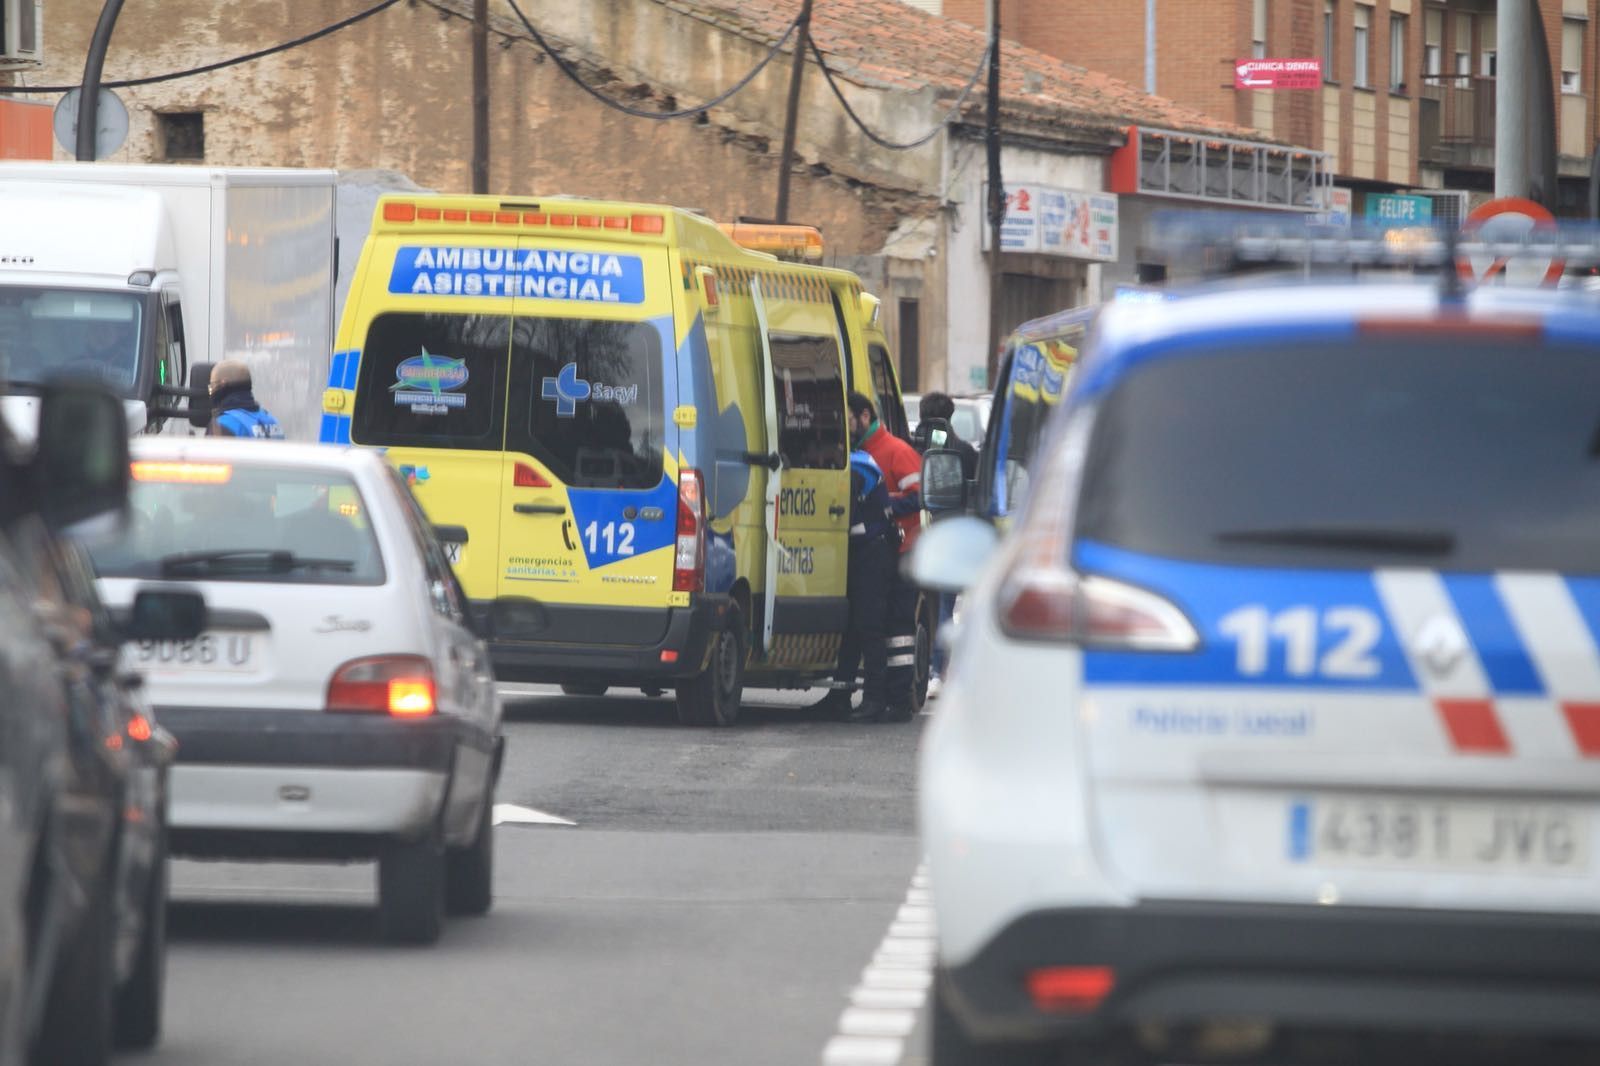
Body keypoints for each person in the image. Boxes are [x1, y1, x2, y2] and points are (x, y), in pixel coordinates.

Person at [849, 390, 923, 720]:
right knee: (878, 623)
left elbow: (920, 497)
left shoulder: (896, 451)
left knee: (899, 627)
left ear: (864, 416)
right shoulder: (860, 453)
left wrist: (885, 507)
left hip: (905, 550)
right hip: (881, 549)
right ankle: (888, 698)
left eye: (849, 420)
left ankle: (899, 699)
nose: (846, 426)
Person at [813, 447, 900, 723]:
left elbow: (838, 511)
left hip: (873, 553)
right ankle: (840, 696)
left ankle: (874, 698)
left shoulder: (856, 469)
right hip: (862, 551)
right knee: (852, 628)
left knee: (869, 625)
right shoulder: (857, 461)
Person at [912, 392, 979, 702]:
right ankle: (937, 672)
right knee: (943, 608)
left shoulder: (914, 449)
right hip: (953, 539)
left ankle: (929, 670)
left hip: (918, 537)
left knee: (926, 606)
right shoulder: (965, 451)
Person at [208, 360, 285, 439]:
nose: (211, 391)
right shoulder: (272, 421)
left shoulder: (223, 425)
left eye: (212, 386)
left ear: (222, 384)